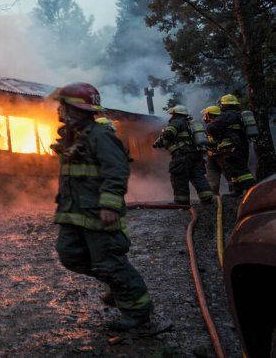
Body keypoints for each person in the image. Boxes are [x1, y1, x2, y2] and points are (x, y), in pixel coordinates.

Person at [49, 83, 153, 331]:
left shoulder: (101, 136)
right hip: (73, 213)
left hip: (97, 213)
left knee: (109, 262)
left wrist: (110, 204)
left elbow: (116, 171)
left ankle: (138, 312)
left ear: (76, 109)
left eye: (63, 106)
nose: (59, 111)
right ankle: (118, 287)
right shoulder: (71, 138)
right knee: (69, 255)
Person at [152, 106, 214, 205]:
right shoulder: (190, 123)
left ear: (175, 114)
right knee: (197, 176)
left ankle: (181, 201)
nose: (171, 116)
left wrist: (161, 139)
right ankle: (207, 198)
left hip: (182, 155)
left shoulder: (176, 122)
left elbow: (168, 135)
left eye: (172, 114)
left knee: (179, 177)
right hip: (196, 154)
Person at [207, 94, 256, 195]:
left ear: (225, 105)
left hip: (231, 147)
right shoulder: (237, 115)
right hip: (240, 145)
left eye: (222, 105)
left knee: (241, 170)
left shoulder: (226, 115)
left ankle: (253, 191)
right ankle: (237, 190)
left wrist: (213, 131)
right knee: (233, 170)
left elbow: (212, 128)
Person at [201, 106, 225, 195]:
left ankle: (236, 193)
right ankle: (213, 195)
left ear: (210, 115)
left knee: (230, 174)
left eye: (206, 115)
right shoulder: (213, 125)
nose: (204, 117)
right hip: (213, 154)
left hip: (222, 153)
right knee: (211, 174)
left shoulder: (216, 125)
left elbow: (214, 140)